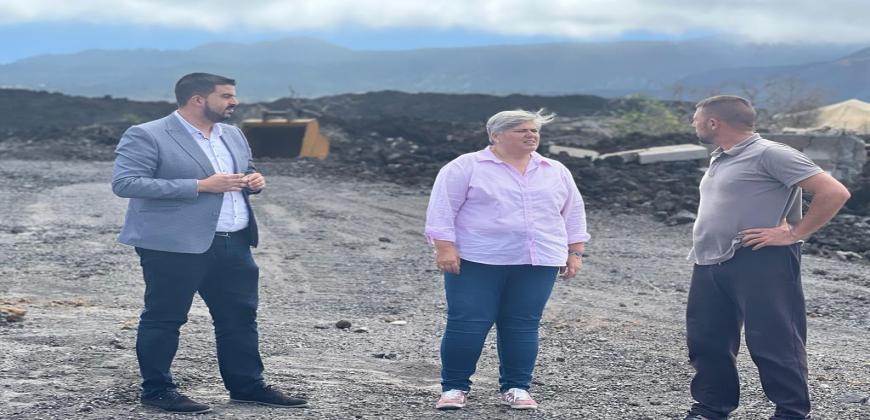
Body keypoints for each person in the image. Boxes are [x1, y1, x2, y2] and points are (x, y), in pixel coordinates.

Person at [112, 73, 307, 413]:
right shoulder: (147, 134)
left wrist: (254, 181)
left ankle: (247, 386)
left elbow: (243, 172)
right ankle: (157, 391)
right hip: (173, 246)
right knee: (165, 318)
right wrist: (200, 186)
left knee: (239, 318)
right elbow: (126, 183)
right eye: (226, 96)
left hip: (235, 241)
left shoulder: (233, 134)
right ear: (198, 99)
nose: (234, 102)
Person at [683, 95, 851, 420]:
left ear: (714, 122)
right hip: (709, 261)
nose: (694, 123)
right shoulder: (723, 157)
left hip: (760, 261)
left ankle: (790, 413)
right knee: (707, 339)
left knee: (774, 341)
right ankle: (711, 408)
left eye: (696, 118)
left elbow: (834, 191)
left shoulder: (770, 154)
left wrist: (793, 233)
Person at [424, 109, 591, 411]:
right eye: (521, 130)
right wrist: (445, 247)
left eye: (534, 131)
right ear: (495, 135)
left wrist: (575, 252)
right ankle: (454, 388)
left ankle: (516, 387)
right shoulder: (467, 167)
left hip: (538, 260)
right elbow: (442, 209)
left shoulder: (555, 170)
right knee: (468, 323)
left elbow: (573, 212)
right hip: (478, 259)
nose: (530, 135)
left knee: (523, 324)